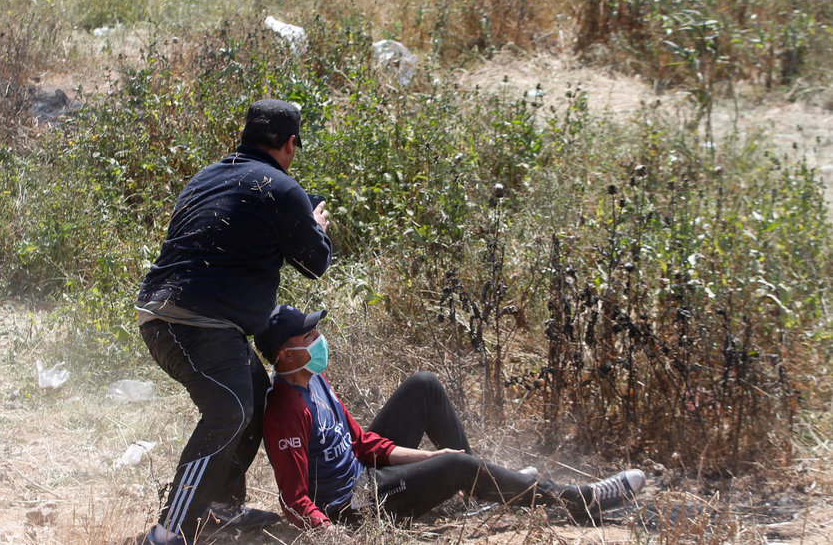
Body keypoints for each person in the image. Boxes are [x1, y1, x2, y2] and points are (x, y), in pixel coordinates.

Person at [256, 305, 646, 532]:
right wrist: (337, 536)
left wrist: (426, 458)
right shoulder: (285, 411)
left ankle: (474, 485)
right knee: (457, 463)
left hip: (365, 473)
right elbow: (294, 501)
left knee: (424, 386)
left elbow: (361, 443)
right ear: (286, 356)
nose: (318, 337)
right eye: (308, 336)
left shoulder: (315, 378)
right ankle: (579, 499)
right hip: (354, 506)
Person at [136, 100, 332, 545]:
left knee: (256, 396)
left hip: (175, 314)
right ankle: (169, 532)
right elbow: (315, 263)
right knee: (229, 409)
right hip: (192, 322)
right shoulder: (282, 188)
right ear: (290, 144)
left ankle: (219, 509)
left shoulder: (206, 176)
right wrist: (315, 225)